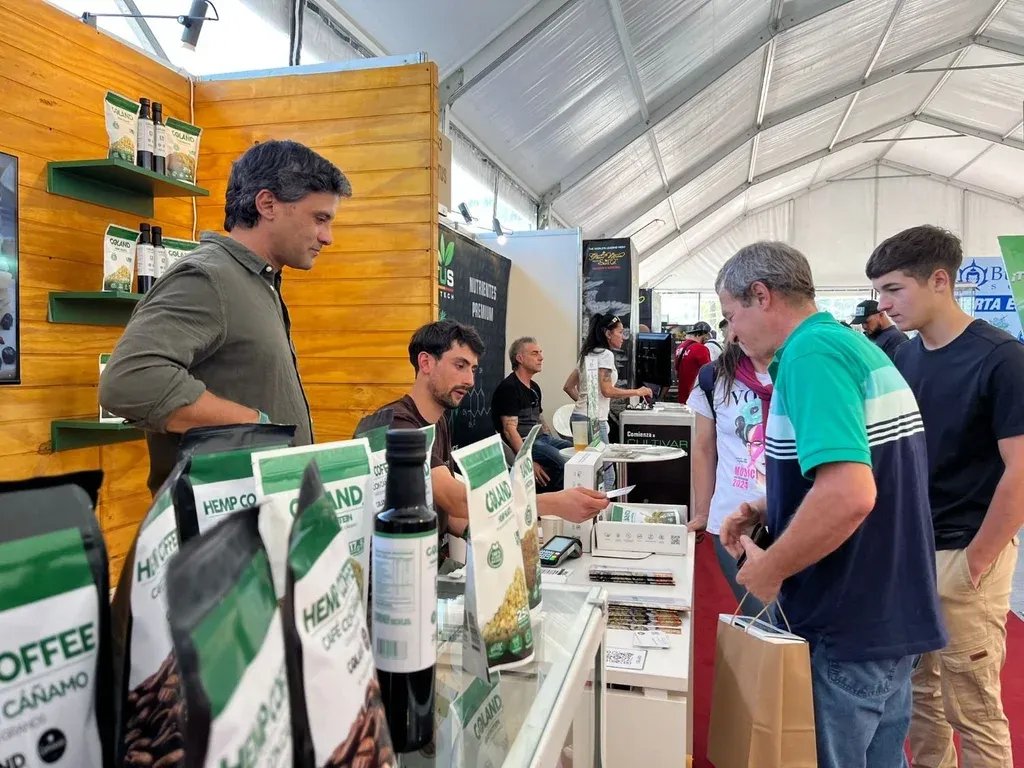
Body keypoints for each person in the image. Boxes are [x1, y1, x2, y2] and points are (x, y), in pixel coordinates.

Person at [716, 241, 946, 768]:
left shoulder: (810, 357)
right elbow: (868, 473)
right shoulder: (849, 347)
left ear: (761, 295)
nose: (731, 333)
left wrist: (771, 567)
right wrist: (770, 504)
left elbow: (850, 494)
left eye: (731, 315)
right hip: (885, 613)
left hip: (846, 617)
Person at [99, 140, 350, 494]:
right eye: (320, 219)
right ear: (267, 204)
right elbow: (128, 381)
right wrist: (255, 427)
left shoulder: (257, 281)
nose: (327, 237)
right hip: (217, 521)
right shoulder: (208, 277)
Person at [867, 224, 1024, 768]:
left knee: (974, 709)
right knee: (920, 701)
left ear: (939, 280)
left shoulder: (1001, 358)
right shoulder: (905, 358)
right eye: (879, 292)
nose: (884, 305)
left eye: (894, 289)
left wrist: (978, 558)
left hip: (966, 551)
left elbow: (1021, 469)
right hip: (911, 551)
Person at [375, 321, 609, 540]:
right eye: (460, 366)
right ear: (426, 363)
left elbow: (448, 513)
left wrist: (493, 539)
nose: (470, 381)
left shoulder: (440, 421)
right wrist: (553, 504)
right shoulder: (396, 425)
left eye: (473, 369)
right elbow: (456, 500)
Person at [686, 338, 772, 616]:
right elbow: (704, 446)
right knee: (761, 619)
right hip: (733, 523)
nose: (735, 328)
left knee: (795, 623)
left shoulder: (802, 370)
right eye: (729, 319)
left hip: (795, 520)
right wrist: (703, 511)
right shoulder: (714, 378)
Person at [491, 337, 572, 491]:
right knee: (563, 461)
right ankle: (555, 500)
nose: (541, 357)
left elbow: (539, 419)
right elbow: (509, 431)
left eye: (540, 353)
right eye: (535, 353)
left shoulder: (534, 387)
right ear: (520, 358)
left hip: (541, 439)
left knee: (574, 451)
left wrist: (549, 438)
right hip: (526, 442)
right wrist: (527, 462)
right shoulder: (509, 388)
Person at [674, 321, 712, 401]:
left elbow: (676, 370)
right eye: (707, 335)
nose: (708, 338)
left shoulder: (680, 347)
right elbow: (708, 373)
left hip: (682, 395)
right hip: (696, 397)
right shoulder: (701, 349)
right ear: (701, 334)